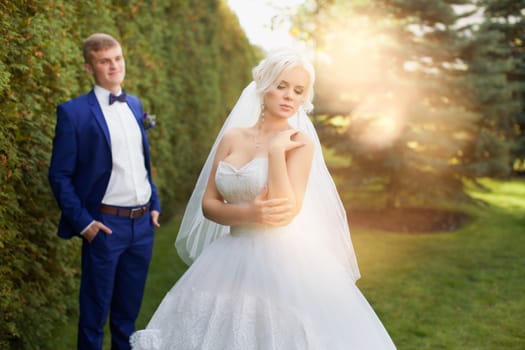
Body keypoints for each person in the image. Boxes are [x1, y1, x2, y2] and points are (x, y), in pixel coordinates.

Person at [131, 48, 396, 349]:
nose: (289, 96)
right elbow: (209, 204)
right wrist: (249, 214)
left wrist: (275, 153)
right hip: (229, 252)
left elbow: (286, 209)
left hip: (280, 257)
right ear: (263, 84)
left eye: (298, 91)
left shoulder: (299, 143)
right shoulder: (232, 137)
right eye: (281, 85)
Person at [48, 33, 161, 350]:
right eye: (104, 61)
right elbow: (59, 174)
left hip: (143, 228)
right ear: (89, 68)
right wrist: (84, 224)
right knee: (94, 317)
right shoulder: (74, 113)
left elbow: (141, 162)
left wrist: (154, 202)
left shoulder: (135, 104)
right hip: (105, 227)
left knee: (127, 318)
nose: (114, 66)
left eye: (118, 58)